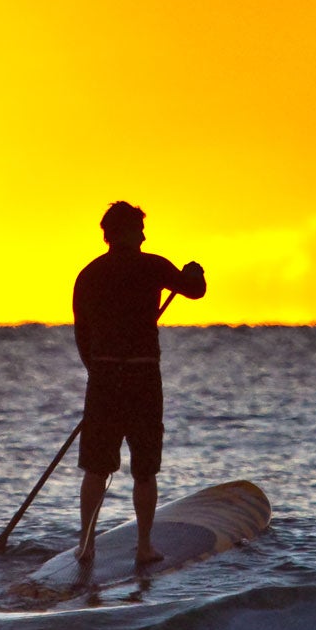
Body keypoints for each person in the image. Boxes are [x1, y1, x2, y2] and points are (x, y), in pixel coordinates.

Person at [72, 201, 205, 566]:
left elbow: (81, 333)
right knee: (144, 469)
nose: (145, 235)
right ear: (128, 232)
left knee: (96, 468)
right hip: (143, 378)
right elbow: (195, 291)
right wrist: (195, 273)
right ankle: (144, 547)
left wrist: (96, 372)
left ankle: (86, 547)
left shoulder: (88, 275)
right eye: (140, 229)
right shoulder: (153, 266)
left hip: (103, 378)